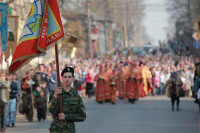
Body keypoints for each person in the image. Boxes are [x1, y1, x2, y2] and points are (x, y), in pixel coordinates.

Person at [49, 67, 86, 133]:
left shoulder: (76, 97)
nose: (67, 79)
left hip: (69, 130)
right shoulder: (54, 93)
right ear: (62, 78)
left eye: (69, 77)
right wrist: (55, 96)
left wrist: (66, 116)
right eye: (65, 77)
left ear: (73, 79)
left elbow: (82, 116)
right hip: (55, 129)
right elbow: (51, 110)